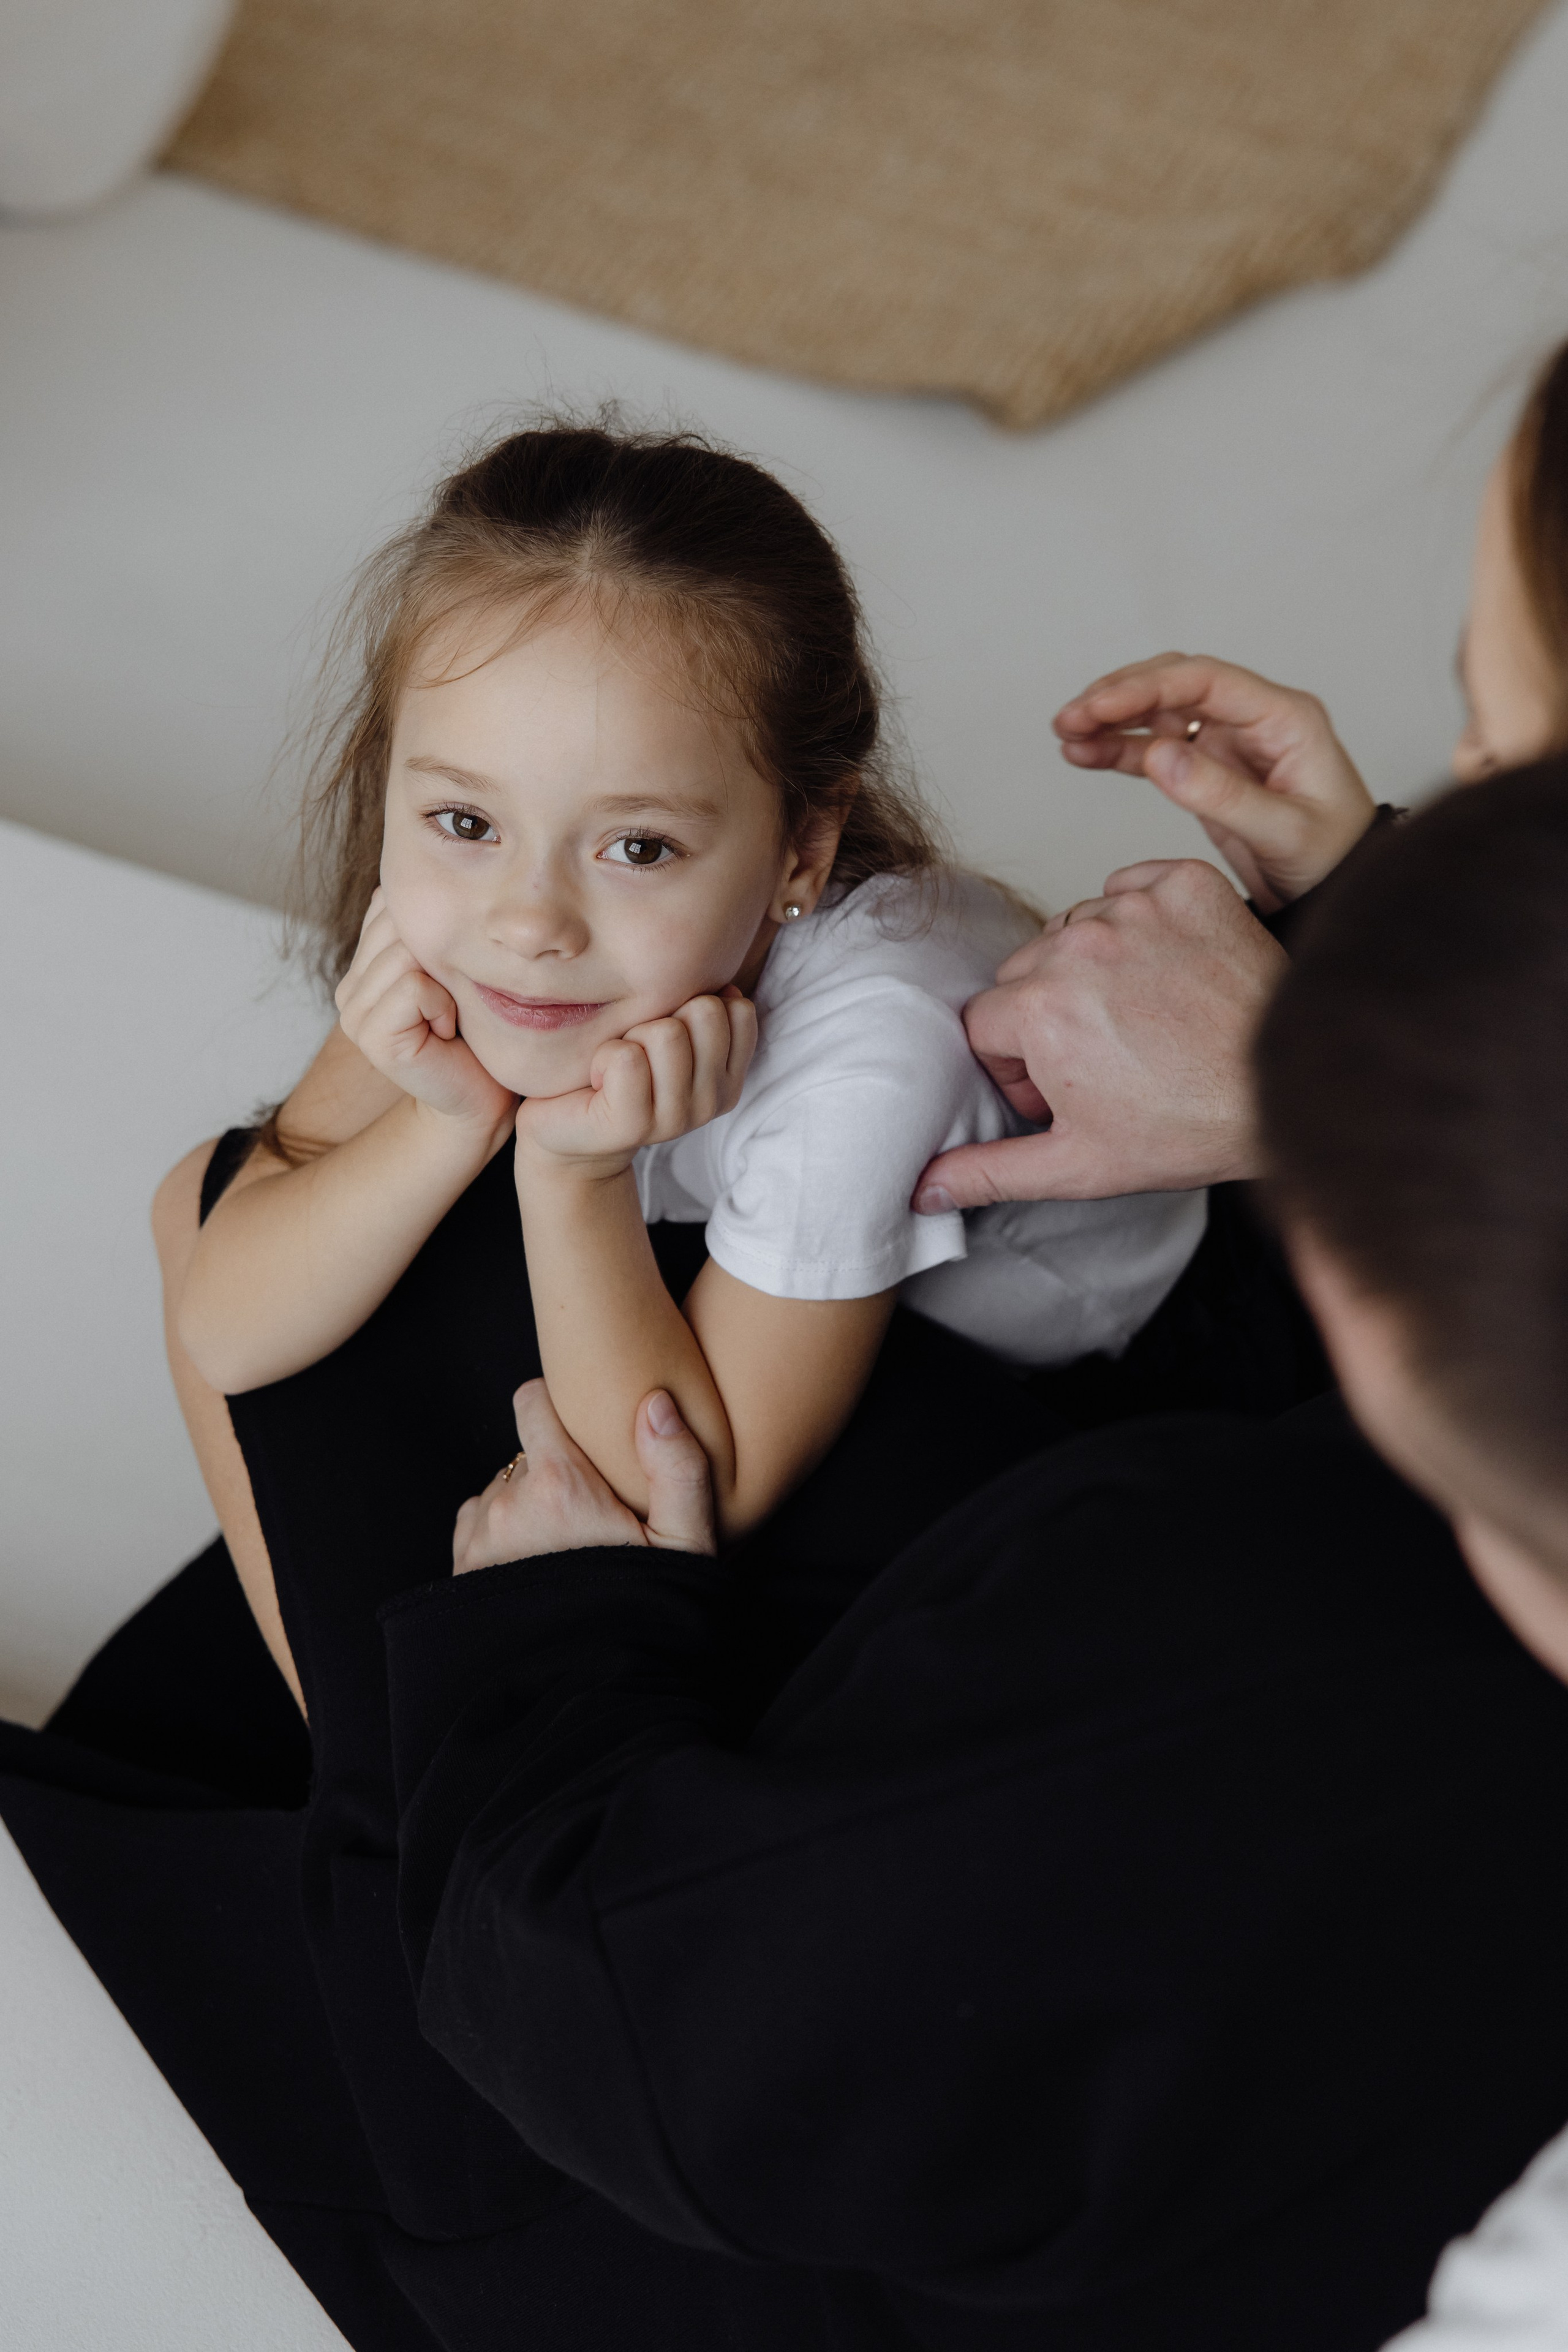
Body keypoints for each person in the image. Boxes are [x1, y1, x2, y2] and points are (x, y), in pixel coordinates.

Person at [174, 416, 1201, 1558]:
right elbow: (223, 1327)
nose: (528, 924)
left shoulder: (883, 1051)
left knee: (343, 1297)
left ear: (801, 852)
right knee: (214, 1204)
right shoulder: (464, 913)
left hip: (1033, 1410)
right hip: (740, 1278)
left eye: (639, 848)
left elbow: (692, 1495)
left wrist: (572, 1174)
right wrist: (446, 1121)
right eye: (466, 820)